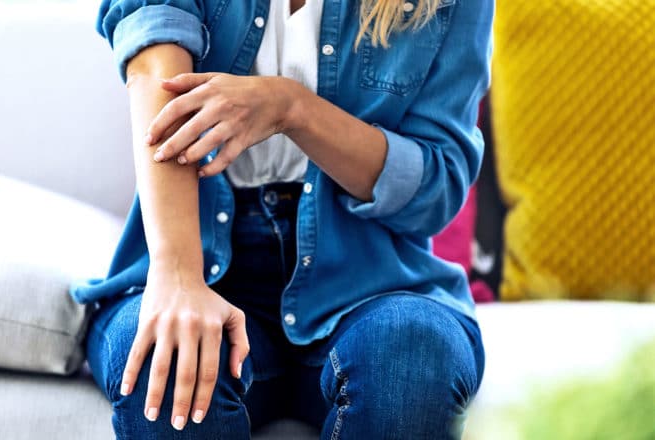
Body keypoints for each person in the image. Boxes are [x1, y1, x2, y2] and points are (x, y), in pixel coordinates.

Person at [71, 0, 493, 438]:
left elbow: (436, 189)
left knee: (411, 361)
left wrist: (293, 109)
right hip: (200, 262)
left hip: (373, 283)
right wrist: (177, 276)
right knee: (167, 361)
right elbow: (155, 75)